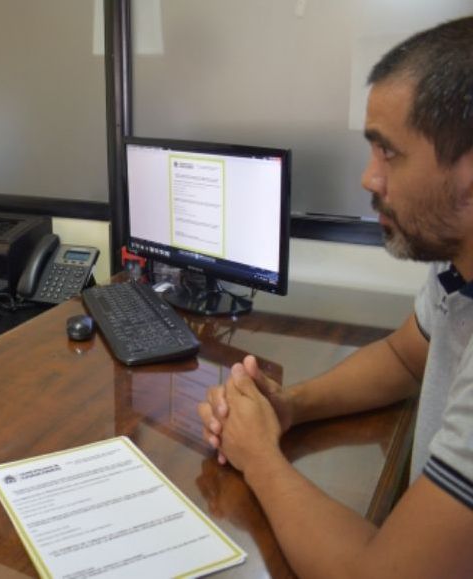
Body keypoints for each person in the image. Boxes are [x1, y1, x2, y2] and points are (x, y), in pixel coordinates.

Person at [199, 17, 473, 579]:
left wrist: (260, 457)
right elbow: (404, 357)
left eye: (388, 153)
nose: (369, 179)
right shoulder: (458, 265)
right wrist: (292, 407)